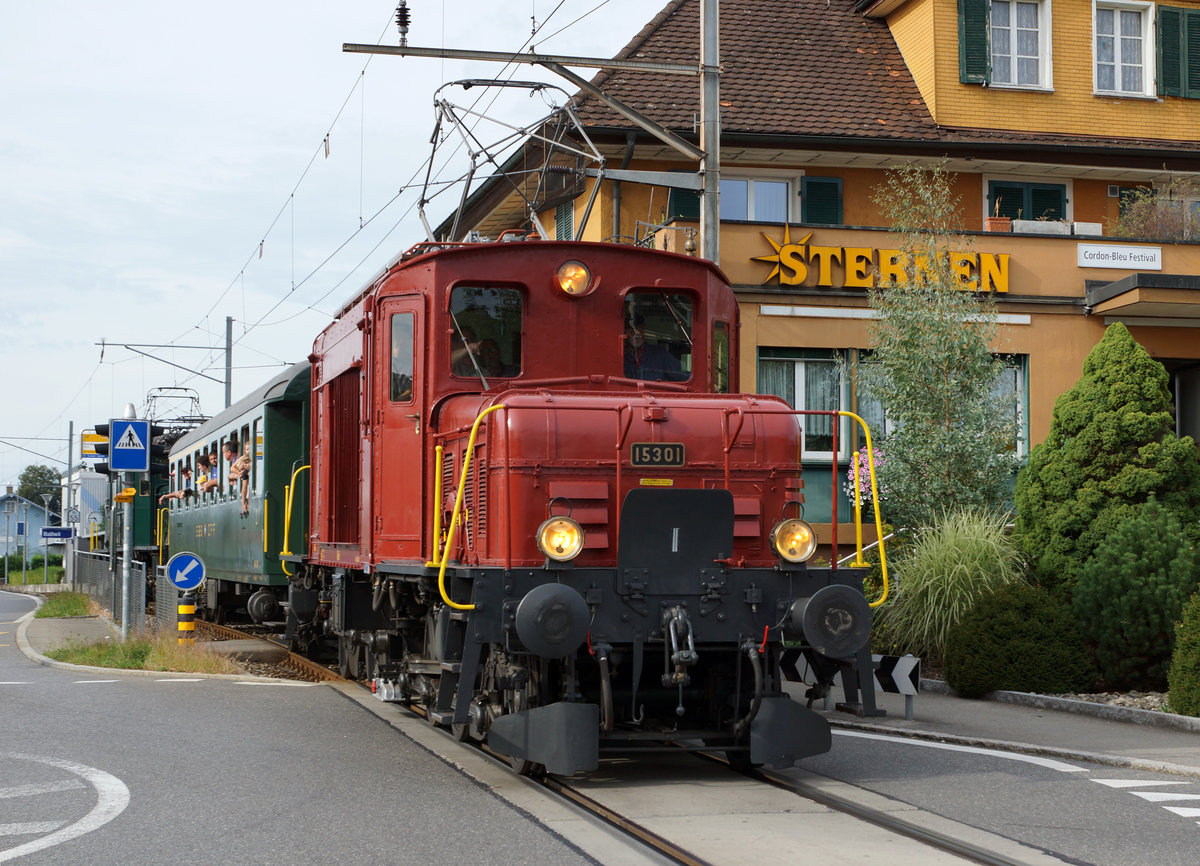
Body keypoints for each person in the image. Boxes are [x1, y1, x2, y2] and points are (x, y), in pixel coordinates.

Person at [624, 313, 685, 381]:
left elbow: (680, 377)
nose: (636, 335)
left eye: (640, 330)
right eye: (632, 331)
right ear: (625, 333)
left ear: (644, 330)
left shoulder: (661, 354)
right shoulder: (620, 356)